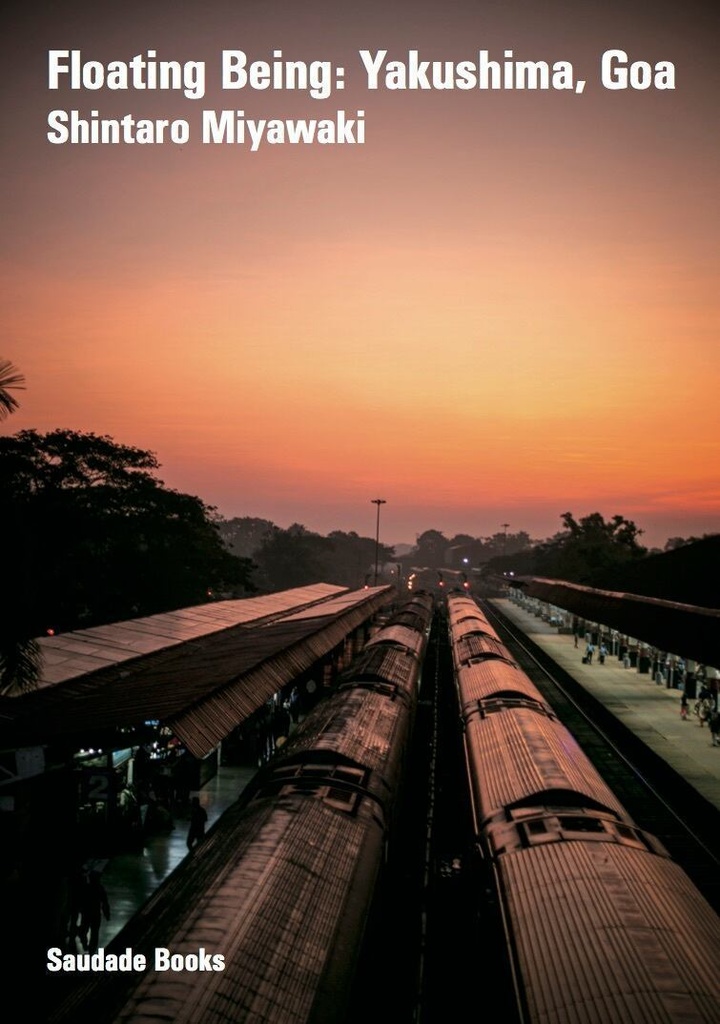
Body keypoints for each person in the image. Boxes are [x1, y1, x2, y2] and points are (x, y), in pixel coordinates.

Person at [79, 870, 110, 954]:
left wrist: (80, 909)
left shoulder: (86, 888)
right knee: (94, 932)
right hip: (95, 913)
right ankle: (92, 950)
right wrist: (106, 913)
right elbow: (104, 902)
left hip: (86, 912)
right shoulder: (100, 888)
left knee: (84, 929)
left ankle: (84, 942)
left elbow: (80, 900)